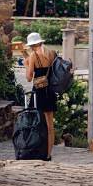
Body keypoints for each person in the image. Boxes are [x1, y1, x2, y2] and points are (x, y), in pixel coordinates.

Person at [24, 32, 57, 160]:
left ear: (32, 45)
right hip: (50, 91)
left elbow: (28, 78)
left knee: (35, 122)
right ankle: (48, 155)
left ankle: (36, 151)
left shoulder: (33, 56)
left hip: (39, 92)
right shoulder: (52, 53)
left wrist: (26, 64)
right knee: (50, 126)